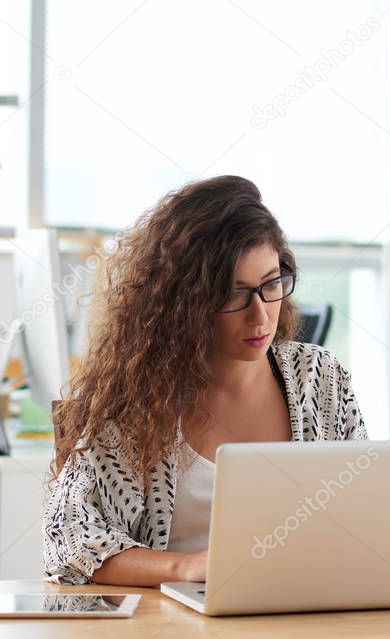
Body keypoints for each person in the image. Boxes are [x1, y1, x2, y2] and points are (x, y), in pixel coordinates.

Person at [43, 175, 368, 587]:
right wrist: (187, 567)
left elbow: (362, 515)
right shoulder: (140, 398)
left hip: (303, 613)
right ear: (186, 301)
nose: (261, 315)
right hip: (175, 621)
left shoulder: (320, 379)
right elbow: (68, 541)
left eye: (271, 284)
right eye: (234, 294)